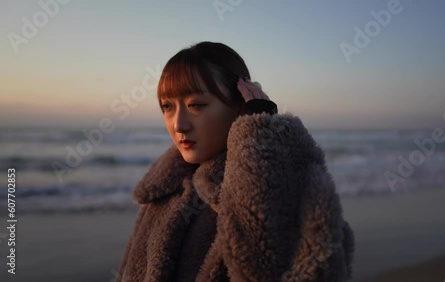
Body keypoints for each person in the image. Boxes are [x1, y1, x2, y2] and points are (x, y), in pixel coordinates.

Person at [117, 41, 354, 282]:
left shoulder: (291, 188)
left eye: (196, 105)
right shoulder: (162, 195)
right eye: (167, 107)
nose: (178, 124)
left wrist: (262, 137)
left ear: (240, 106)